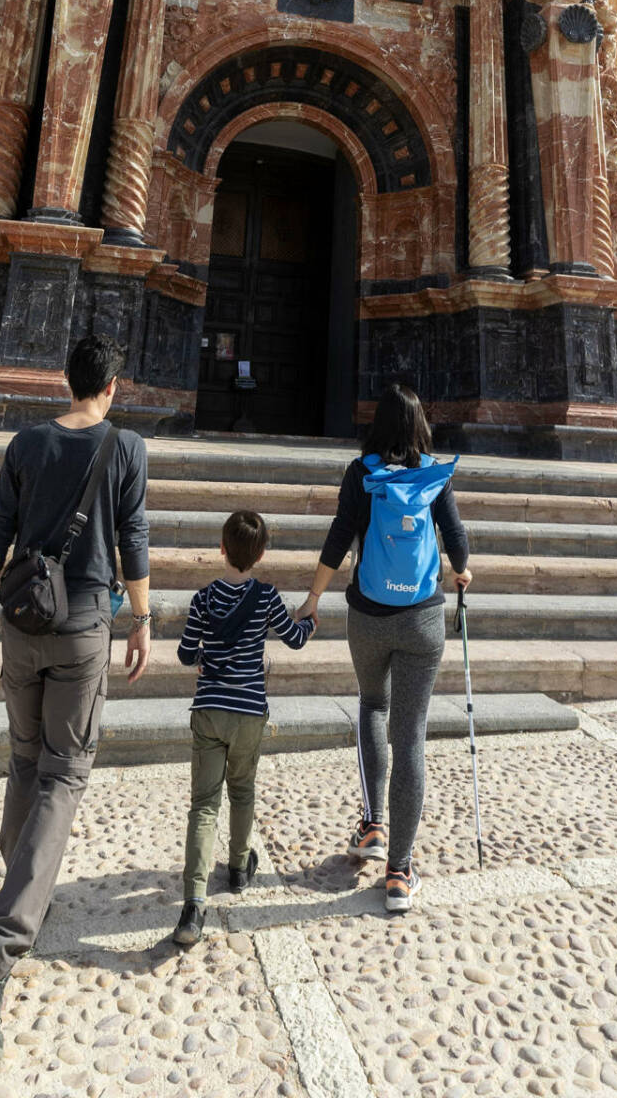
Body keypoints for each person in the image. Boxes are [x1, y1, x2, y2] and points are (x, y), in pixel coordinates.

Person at [0, 334, 151, 1065]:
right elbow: (134, 540)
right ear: (113, 386)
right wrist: (145, 620)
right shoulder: (126, 448)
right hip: (84, 628)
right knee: (64, 775)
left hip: (20, 624)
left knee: (26, 762)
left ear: (67, 382)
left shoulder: (26, 443)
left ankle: (22, 882)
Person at [295, 383, 471, 914]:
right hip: (421, 621)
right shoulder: (434, 473)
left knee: (373, 704)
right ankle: (399, 871)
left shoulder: (361, 471)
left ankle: (371, 827)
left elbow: (338, 533)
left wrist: (313, 598)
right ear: (420, 425)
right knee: (410, 736)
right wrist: (462, 572)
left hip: (368, 616)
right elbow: (457, 541)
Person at [172, 508, 316, 948]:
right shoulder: (268, 597)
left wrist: (202, 660)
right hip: (250, 710)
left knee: (203, 805)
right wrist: (310, 620)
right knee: (243, 790)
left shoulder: (203, 599)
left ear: (221, 547)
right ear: (261, 554)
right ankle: (238, 867)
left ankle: (194, 904)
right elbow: (293, 638)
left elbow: (183, 654)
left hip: (211, 708)